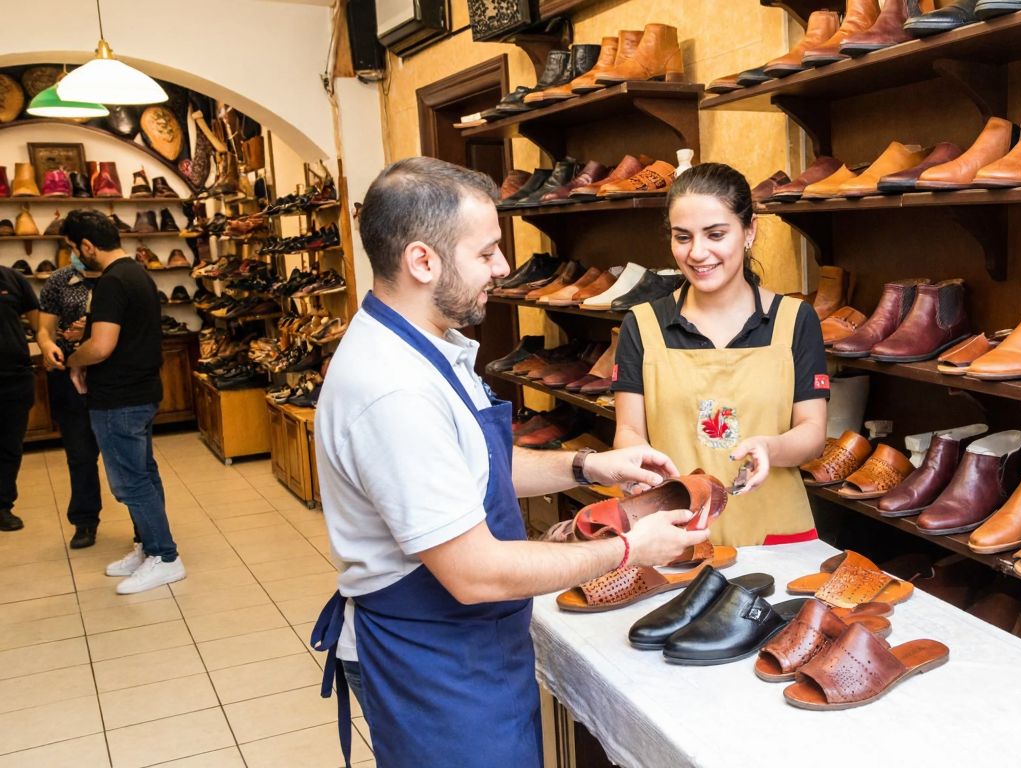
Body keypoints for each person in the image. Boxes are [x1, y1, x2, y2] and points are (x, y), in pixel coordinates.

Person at [310, 156, 707, 768]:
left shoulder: (428, 345)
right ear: (423, 261)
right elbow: (473, 572)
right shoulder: (394, 391)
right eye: (488, 251)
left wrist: (589, 466)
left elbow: (476, 464)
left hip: (471, 645)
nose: (502, 268)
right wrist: (631, 550)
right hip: (434, 663)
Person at [612, 162, 829, 546]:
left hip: (774, 532)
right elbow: (629, 430)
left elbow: (812, 433)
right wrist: (638, 462)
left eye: (715, 234)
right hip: (674, 532)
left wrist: (770, 447)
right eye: (683, 237)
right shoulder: (642, 325)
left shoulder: (795, 320)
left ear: (749, 230)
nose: (698, 253)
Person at [60, 210, 184, 594]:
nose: (74, 259)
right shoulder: (137, 272)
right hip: (139, 391)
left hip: (119, 399)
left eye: (74, 250)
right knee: (143, 474)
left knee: (131, 483)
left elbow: (101, 347)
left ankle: (165, 556)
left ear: (87, 245)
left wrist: (74, 361)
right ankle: (149, 547)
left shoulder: (113, 281)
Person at [35, 251, 105, 548]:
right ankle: (85, 521)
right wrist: (48, 345)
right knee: (79, 453)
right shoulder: (60, 280)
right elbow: (43, 330)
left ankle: (143, 523)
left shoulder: (117, 277)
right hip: (67, 373)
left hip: (109, 373)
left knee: (125, 453)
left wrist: (90, 332)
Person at [0, 262, 39, 533]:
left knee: (10, 447)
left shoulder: (12, 278)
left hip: (14, 377)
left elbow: (40, 326)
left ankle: (2, 506)